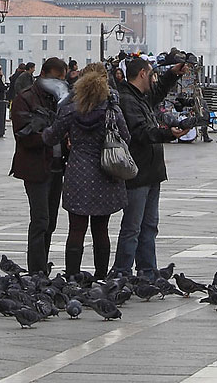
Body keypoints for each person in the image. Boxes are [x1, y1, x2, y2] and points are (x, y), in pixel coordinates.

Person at [43, 64, 130, 280]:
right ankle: (101, 276)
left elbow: (50, 137)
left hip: (78, 173)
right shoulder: (112, 111)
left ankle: (73, 275)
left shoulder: (70, 110)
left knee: (76, 229)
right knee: (101, 229)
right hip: (105, 172)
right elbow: (126, 138)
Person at [112, 56, 187, 277]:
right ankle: (122, 272)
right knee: (133, 227)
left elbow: (159, 91)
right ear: (143, 74)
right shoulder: (127, 100)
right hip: (137, 172)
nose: (154, 78)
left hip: (151, 172)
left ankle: (146, 270)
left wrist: (173, 73)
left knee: (149, 226)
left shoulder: (140, 97)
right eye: (151, 74)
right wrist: (168, 134)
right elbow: (140, 132)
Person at [10, 57, 69, 274]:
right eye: (56, 79)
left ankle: (42, 265)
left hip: (57, 165)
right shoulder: (25, 99)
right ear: (43, 75)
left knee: (51, 221)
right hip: (35, 167)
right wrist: (49, 135)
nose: (59, 84)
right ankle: (36, 269)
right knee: (41, 219)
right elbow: (23, 135)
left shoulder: (59, 99)